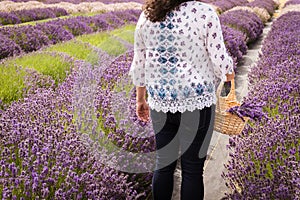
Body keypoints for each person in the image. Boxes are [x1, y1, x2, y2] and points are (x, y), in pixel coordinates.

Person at [129, 0, 235, 199]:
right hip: (197, 102)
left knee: (163, 164)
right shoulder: (204, 13)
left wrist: (140, 99)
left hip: (160, 103)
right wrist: (230, 79)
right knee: (192, 170)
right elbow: (220, 58)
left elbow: (139, 63)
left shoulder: (148, 15)